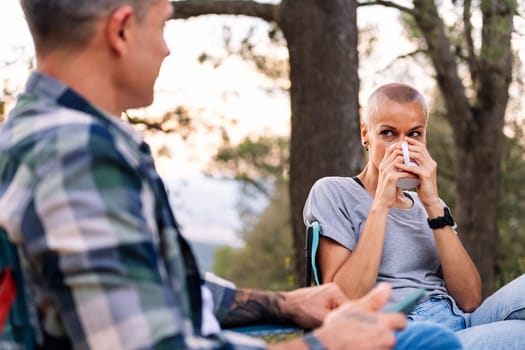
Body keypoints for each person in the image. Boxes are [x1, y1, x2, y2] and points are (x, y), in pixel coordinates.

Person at [0, 1, 463, 349]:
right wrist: (324, 344)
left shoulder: (45, 132)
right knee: (432, 343)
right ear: (121, 31)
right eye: (162, 24)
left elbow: (165, 288)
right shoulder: (78, 156)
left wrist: (286, 304)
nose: (166, 47)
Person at [303, 82, 525, 349]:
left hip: (461, 322)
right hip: (404, 333)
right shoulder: (334, 192)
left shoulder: (430, 206)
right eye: (388, 133)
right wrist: (381, 205)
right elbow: (345, 300)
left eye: (414, 135)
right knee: (518, 335)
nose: (402, 147)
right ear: (366, 134)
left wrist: (432, 204)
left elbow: (469, 299)